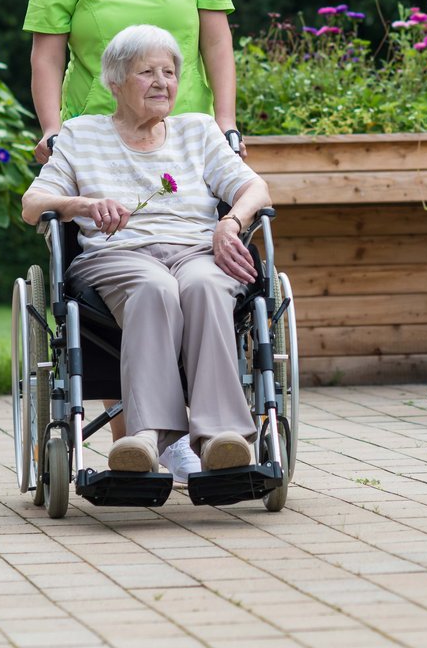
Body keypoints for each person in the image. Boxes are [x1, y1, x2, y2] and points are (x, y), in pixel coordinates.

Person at [24, 0, 238, 480]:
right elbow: (47, 53)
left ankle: (201, 435)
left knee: (196, 275)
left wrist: (225, 122)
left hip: (184, 129)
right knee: (137, 273)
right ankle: (144, 438)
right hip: (101, 132)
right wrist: (55, 127)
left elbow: (216, 39)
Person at [21, 25, 270, 474]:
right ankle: (149, 437)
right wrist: (82, 204)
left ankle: (219, 437)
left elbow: (255, 187)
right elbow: (32, 204)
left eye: (170, 72)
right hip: (119, 258)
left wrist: (230, 222)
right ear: (114, 82)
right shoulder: (81, 135)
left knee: (206, 286)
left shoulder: (198, 130)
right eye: (146, 72)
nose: (162, 82)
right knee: (154, 286)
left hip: (197, 251)